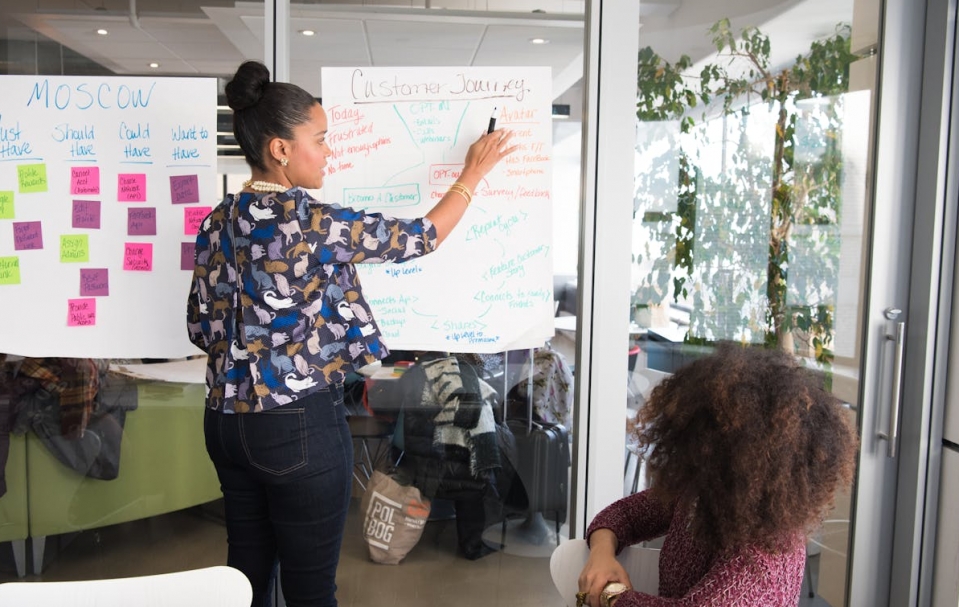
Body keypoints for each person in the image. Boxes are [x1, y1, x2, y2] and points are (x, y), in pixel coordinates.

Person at [186, 60, 516, 607]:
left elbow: (201, 324)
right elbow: (421, 237)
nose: (329, 151)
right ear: (280, 149)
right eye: (319, 139)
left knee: (244, 580)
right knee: (312, 590)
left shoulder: (216, 221)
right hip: (295, 426)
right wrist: (472, 174)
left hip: (223, 423)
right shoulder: (309, 221)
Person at [577, 343, 858, 607]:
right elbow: (624, 514)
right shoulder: (703, 495)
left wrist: (610, 596)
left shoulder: (762, 561)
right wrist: (602, 554)